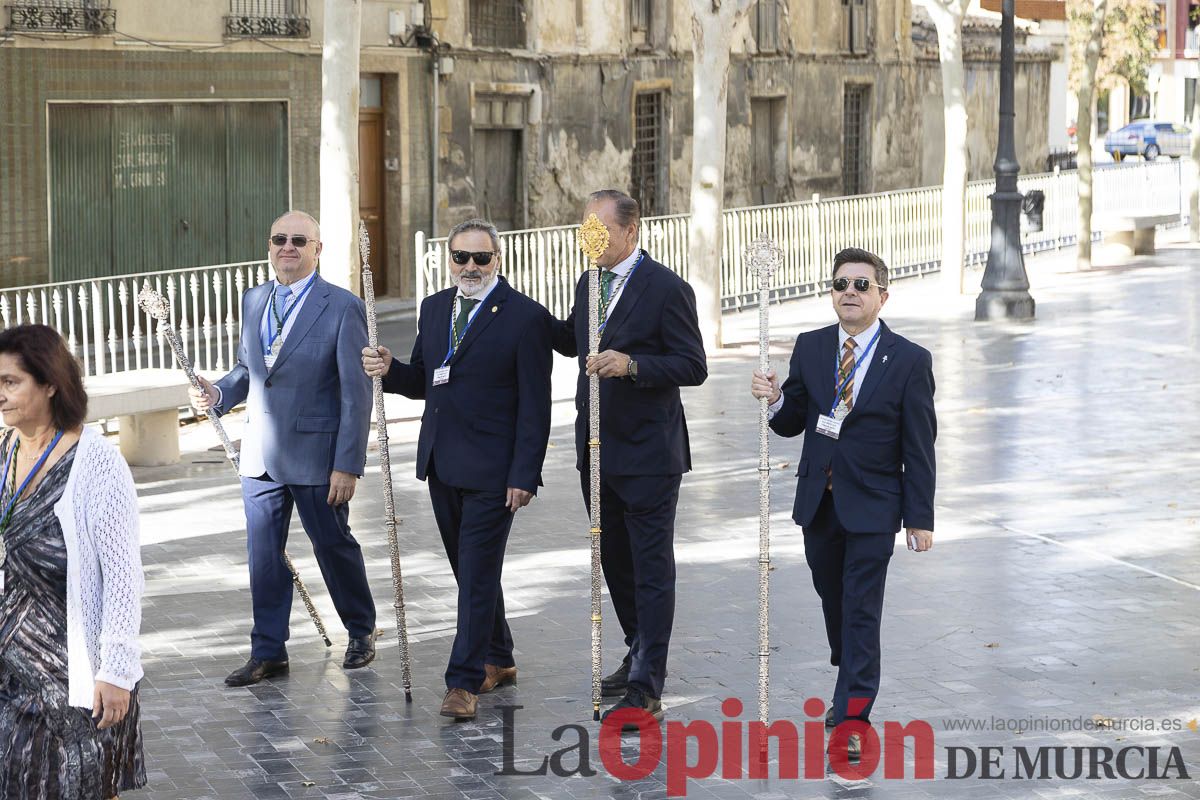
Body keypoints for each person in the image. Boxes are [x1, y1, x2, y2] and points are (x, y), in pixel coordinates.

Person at [749, 247, 936, 761]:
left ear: (882, 295)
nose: (849, 293)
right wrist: (774, 399)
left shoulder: (910, 360)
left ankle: (853, 713)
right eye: (840, 285)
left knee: (860, 609)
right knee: (833, 596)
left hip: (876, 505)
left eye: (860, 285)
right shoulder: (810, 348)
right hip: (819, 502)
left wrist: (919, 518)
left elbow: (919, 445)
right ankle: (849, 661)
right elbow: (792, 421)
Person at [362, 218, 553, 721]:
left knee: (475, 574)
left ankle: (462, 682)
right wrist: (391, 368)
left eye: (481, 258)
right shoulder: (434, 307)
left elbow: (537, 405)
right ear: (449, 260)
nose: (470, 267)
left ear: (498, 260)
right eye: (461, 258)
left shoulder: (525, 317)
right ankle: (500, 656)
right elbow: (427, 378)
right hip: (442, 463)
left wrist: (524, 474)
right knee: (473, 572)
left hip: (495, 471)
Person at [190, 210, 377, 687]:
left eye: (299, 240)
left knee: (333, 546)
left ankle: (360, 629)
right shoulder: (254, 300)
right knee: (264, 557)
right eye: (279, 239)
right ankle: (268, 651)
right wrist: (217, 394)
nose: (287, 247)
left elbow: (357, 394)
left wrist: (347, 464)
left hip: (319, 459)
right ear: (269, 246)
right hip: (259, 456)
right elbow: (247, 370)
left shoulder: (342, 306)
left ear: (318, 249)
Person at [551, 189, 707, 726]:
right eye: (585, 230)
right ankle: (637, 647)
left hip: (648, 453)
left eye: (601, 231)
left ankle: (647, 685)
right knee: (614, 560)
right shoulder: (587, 282)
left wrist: (633, 364)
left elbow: (692, 364)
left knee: (649, 566)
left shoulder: (667, 289)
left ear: (631, 232)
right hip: (593, 450)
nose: (591, 241)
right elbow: (572, 342)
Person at [0, 324, 146, 798]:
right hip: (10, 671)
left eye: (10, 382)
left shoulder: (96, 462)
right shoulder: (3, 454)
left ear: (49, 383)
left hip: (75, 678)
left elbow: (124, 574)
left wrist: (117, 670)